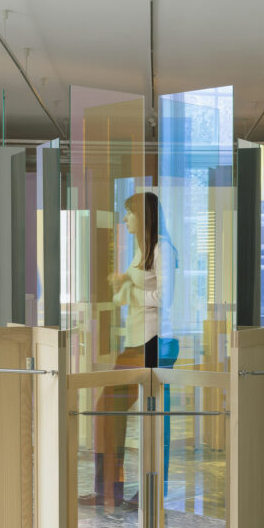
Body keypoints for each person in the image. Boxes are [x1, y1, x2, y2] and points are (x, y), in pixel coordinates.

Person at [82, 192, 177, 510]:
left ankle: (148, 493)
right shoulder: (140, 253)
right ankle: (108, 490)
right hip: (135, 343)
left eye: (129, 214)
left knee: (153, 418)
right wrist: (122, 284)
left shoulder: (164, 249)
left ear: (143, 216)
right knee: (106, 410)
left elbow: (166, 299)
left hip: (155, 343)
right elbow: (127, 297)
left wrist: (131, 280)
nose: (125, 220)